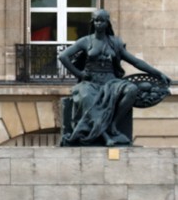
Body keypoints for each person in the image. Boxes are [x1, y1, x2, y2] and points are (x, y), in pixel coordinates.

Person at [58, 9, 171, 146]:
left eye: (102, 21)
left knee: (131, 89)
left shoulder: (115, 43)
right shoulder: (85, 41)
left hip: (111, 81)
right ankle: (104, 134)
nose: (99, 23)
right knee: (87, 96)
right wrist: (79, 74)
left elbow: (136, 62)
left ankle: (114, 125)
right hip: (90, 82)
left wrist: (158, 73)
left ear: (107, 23)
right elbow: (63, 56)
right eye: (96, 20)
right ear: (93, 22)